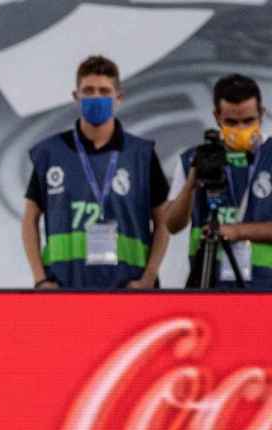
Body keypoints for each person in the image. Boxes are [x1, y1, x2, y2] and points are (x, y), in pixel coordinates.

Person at [21, 55, 170, 289]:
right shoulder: (49, 153)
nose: (96, 97)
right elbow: (30, 219)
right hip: (65, 291)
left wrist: (148, 278)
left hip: (130, 291)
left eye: (104, 91)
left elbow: (164, 223)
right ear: (76, 97)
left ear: (118, 98)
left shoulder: (142, 154)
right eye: (88, 91)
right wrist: (40, 279)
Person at [166, 73, 272, 289]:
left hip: (265, 288)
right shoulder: (192, 158)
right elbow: (172, 224)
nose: (241, 128)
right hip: (209, 285)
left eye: (248, 120)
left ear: (261, 114)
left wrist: (236, 231)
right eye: (231, 122)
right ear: (217, 117)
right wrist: (191, 184)